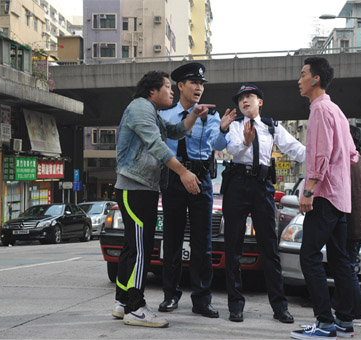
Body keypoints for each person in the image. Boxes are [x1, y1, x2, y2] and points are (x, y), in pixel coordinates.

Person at [111, 70, 213, 328]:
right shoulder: (140, 108)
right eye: (168, 87)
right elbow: (156, 144)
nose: (171, 92)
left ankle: (122, 302)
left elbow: (176, 131)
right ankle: (136, 307)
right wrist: (183, 171)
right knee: (141, 248)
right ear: (152, 91)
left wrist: (193, 115)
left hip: (142, 187)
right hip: (134, 188)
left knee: (131, 246)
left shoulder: (152, 112)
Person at [158, 62, 235, 318]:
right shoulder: (166, 116)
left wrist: (223, 128)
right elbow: (162, 150)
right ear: (180, 86)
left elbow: (217, 143)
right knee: (172, 241)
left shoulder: (211, 117)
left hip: (201, 179)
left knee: (203, 243)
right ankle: (170, 295)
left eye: (201, 84)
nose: (199, 88)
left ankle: (202, 299)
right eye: (194, 83)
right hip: (174, 178)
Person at [223, 83, 305, 323]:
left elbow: (294, 148)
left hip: (262, 187)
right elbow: (233, 151)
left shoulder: (271, 126)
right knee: (233, 248)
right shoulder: (235, 126)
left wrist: (318, 158)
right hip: (237, 185)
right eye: (241, 99)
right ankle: (235, 305)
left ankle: (280, 306)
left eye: (249, 97)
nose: (244, 101)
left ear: (260, 102)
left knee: (269, 248)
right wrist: (247, 143)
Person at [291, 57, 359, 340]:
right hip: (341, 197)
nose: (299, 79)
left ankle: (325, 323)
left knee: (308, 257)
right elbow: (353, 154)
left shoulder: (319, 110)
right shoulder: (337, 111)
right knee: (341, 260)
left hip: (324, 195)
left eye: (303, 74)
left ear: (315, 79)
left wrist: (309, 190)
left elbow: (319, 154)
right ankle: (344, 321)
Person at [342, 125, 361, 327]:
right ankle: (348, 310)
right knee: (347, 269)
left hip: (352, 226)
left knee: (348, 271)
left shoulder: (348, 164)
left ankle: (356, 314)